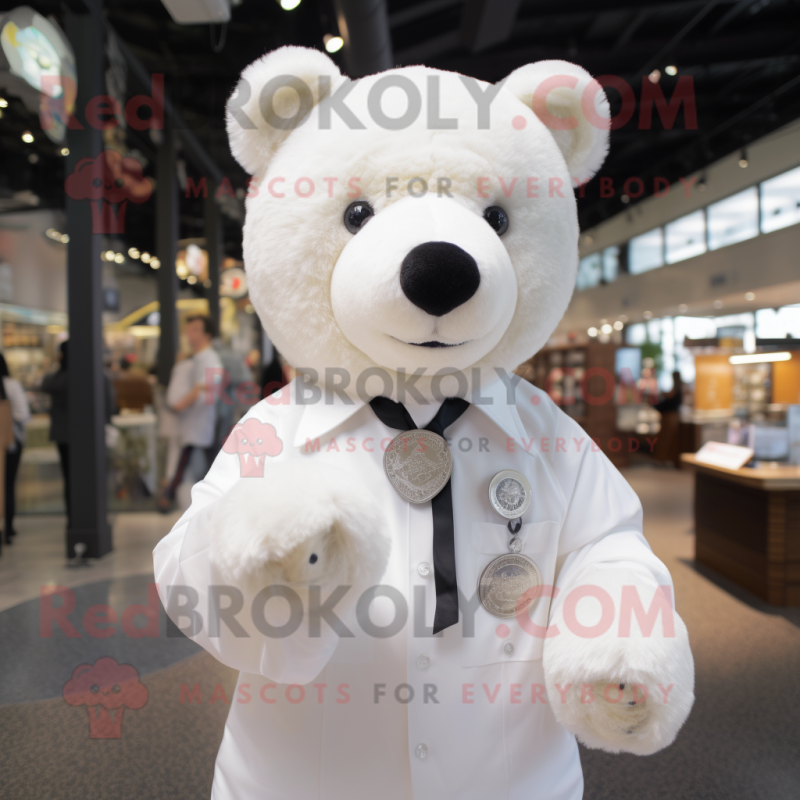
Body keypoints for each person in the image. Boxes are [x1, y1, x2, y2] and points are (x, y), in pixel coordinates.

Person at [41, 341, 115, 527]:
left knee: (70, 479)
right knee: (91, 478)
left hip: (65, 436)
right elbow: (109, 404)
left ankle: (73, 519)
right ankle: (90, 517)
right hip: (88, 436)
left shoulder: (60, 377)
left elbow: (45, 384)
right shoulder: (94, 375)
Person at [159, 315, 223, 511]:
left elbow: (206, 391)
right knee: (190, 462)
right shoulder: (193, 359)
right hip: (189, 424)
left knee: (192, 463)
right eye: (188, 330)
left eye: (195, 330)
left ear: (207, 334)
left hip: (199, 423)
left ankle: (170, 495)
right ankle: (172, 495)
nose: (190, 334)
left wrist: (181, 404)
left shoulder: (210, 359)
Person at [0, 353, 30, 544]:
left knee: (6, 485)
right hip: (10, 442)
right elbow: (23, 414)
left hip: (9, 442)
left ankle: (7, 527)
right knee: (8, 486)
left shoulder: (10, 386)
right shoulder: (12, 385)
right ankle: (8, 528)